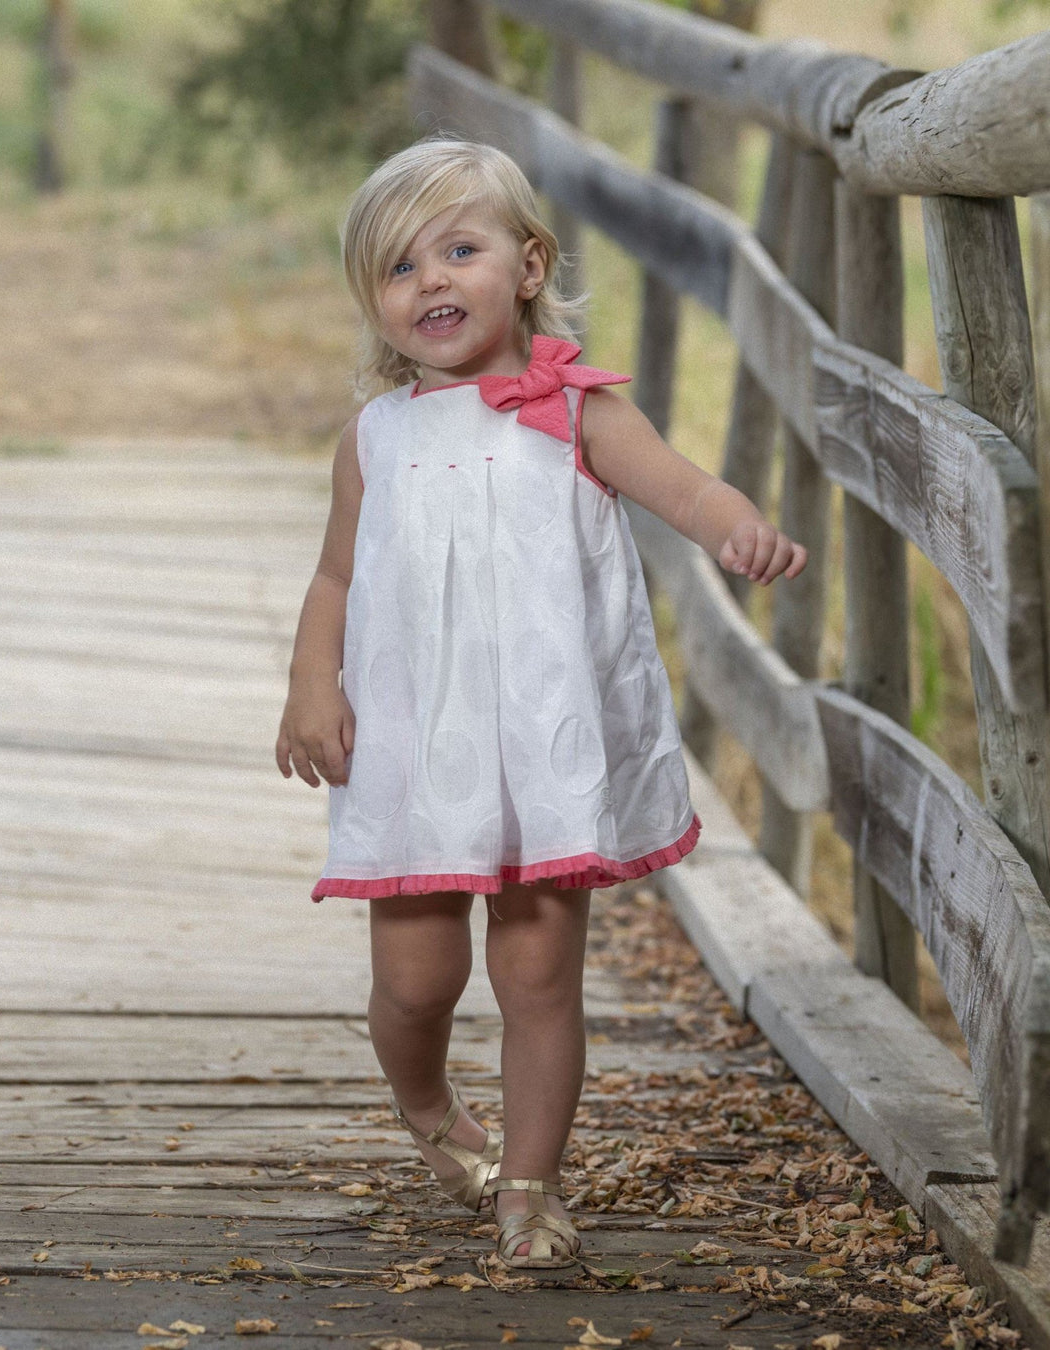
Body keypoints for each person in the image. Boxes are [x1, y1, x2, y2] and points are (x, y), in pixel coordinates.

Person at [276, 138, 806, 1270]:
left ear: (527, 266)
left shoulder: (576, 412)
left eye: (457, 251)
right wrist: (311, 682)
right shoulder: (375, 439)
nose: (430, 282)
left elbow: (683, 490)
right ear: (375, 303)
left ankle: (529, 1184)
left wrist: (736, 528)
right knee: (415, 980)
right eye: (399, 267)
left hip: (543, 739)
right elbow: (335, 577)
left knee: (536, 972)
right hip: (418, 742)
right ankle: (426, 1108)